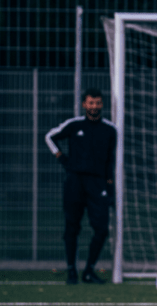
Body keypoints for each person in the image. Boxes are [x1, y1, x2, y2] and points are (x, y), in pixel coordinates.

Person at [44, 88, 116, 285]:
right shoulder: (74, 125)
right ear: (84, 104)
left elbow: (111, 160)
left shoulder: (110, 129)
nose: (94, 106)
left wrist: (110, 187)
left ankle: (89, 270)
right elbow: (49, 137)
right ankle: (71, 270)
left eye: (98, 103)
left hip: (97, 183)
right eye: (91, 103)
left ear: (102, 104)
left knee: (101, 229)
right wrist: (62, 158)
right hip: (74, 182)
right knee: (72, 227)